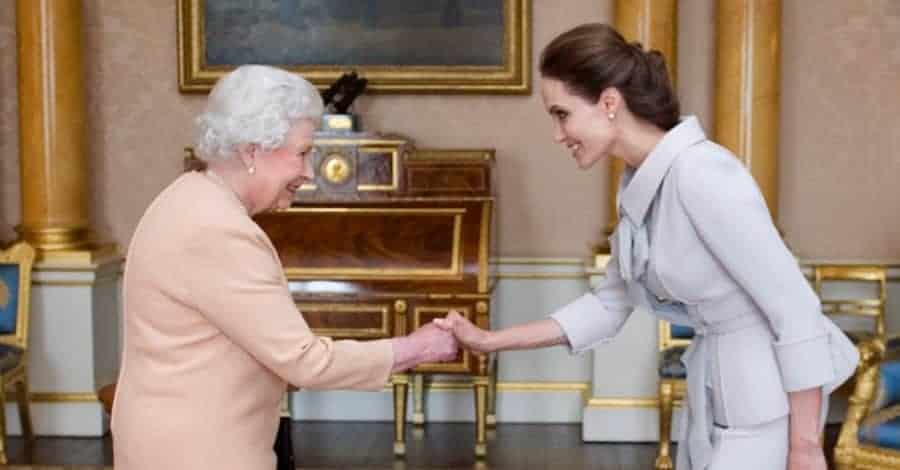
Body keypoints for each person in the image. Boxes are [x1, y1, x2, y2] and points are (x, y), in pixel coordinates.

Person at [434, 23, 859, 470]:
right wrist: (488, 341)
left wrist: (805, 447)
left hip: (764, 404)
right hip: (716, 395)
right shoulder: (640, 186)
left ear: (609, 102)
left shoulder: (702, 173)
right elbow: (608, 305)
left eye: (562, 114)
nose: (558, 134)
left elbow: (795, 308)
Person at [111, 65, 457, 470]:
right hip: (198, 450)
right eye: (303, 153)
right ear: (252, 151)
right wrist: (416, 348)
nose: (308, 173)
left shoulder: (189, 196)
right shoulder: (217, 229)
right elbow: (305, 361)